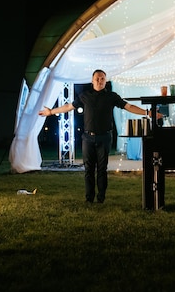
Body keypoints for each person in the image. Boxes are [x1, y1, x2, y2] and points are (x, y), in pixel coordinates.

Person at [39, 69, 161, 204]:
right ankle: (89, 198)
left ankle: (101, 198)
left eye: (102, 78)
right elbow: (68, 106)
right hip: (87, 138)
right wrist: (50, 112)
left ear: (105, 80)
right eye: (97, 78)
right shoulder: (85, 96)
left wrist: (147, 112)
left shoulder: (112, 96)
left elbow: (129, 106)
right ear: (92, 80)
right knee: (88, 170)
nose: (99, 81)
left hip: (104, 138)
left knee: (102, 169)